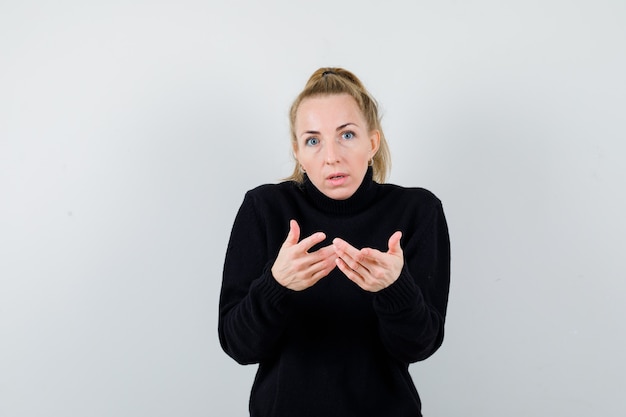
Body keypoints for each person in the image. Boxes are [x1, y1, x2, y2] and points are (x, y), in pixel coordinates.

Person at [218, 67, 451, 417]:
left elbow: (418, 347)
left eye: (347, 135)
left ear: (372, 142)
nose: (331, 156)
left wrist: (394, 289)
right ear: (298, 151)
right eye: (313, 140)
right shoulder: (265, 208)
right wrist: (276, 284)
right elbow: (239, 346)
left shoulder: (418, 211)